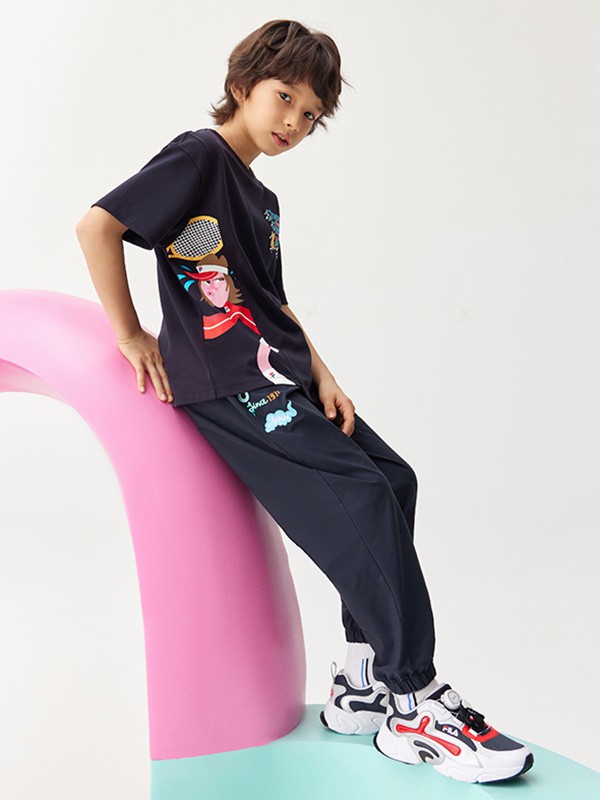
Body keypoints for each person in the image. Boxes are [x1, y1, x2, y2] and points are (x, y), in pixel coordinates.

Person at [75, 18, 534, 785]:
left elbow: (271, 302)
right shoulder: (198, 156)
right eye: (285, 97)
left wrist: (323, 374)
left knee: (394, 480)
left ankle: (362, 681)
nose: (294, 121)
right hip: (229, 383)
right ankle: (412, 699)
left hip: (280, 375)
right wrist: (129, 333)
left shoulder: (262, 198)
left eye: (311, 114)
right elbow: (98, 226)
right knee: (360, 494)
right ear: (241, 85)